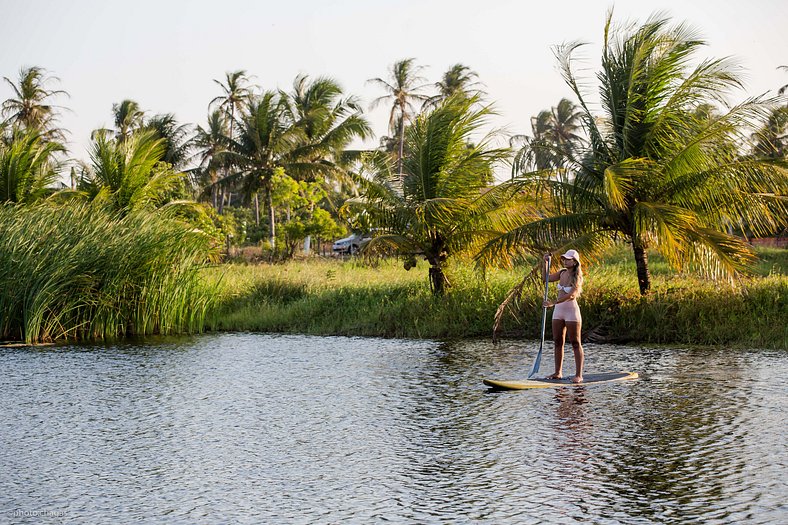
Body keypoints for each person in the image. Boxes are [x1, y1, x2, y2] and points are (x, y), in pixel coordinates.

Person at [542, 249, 584, 383]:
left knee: (575, 343)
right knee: (558, 341)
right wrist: (546, 263)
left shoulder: (577, 276)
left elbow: (571, 295)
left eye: (568, 259)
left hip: (571, 311)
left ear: (575, 262)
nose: (565, 261)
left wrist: (553, 302)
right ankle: (557, 372)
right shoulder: (562, 273)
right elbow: (545, 279)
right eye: (564, 259)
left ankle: (579, 375)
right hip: (558, 311)